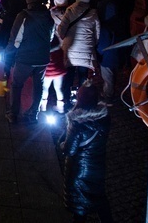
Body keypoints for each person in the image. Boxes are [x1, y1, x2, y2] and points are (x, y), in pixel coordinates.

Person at [58, 82, 114, 223]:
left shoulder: (77, 124)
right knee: (100, 198)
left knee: (79, 205)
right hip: (97, 167)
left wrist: (62, 141)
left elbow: (69, 150)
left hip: (79, 171)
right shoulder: (104, 118)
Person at [5, 0, 55, 124]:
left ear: (28, 1)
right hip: (43, 59)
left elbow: (15, 41)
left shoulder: (23, 16)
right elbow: (50, 38)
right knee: (39, 85)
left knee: (17, 85)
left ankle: (13, 114)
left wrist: (7, 58)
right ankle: (33, 114)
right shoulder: (49, 17)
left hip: (25, 59)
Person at [58, 0, 100, 95]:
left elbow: (61, 31)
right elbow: (97, 33)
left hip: (70, 50)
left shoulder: (70, 11)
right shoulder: (93, 13)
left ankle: (66, 100)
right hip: (86, 49)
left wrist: (64, 40)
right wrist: (91, 43)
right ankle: (82, 99)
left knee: (69, 76)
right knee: (83, 76)